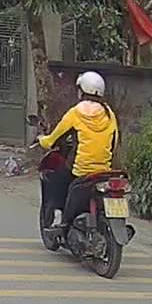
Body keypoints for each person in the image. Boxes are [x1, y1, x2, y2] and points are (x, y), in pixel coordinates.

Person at [37, 71, 119, 228]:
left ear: (82, 90)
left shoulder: (76, 112)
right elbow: (114, 143)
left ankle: (60, 219)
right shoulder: (109, 114)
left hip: (80, 171)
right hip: (104, 171)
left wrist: (42, 140)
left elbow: (53, 139)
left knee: (56, 179)